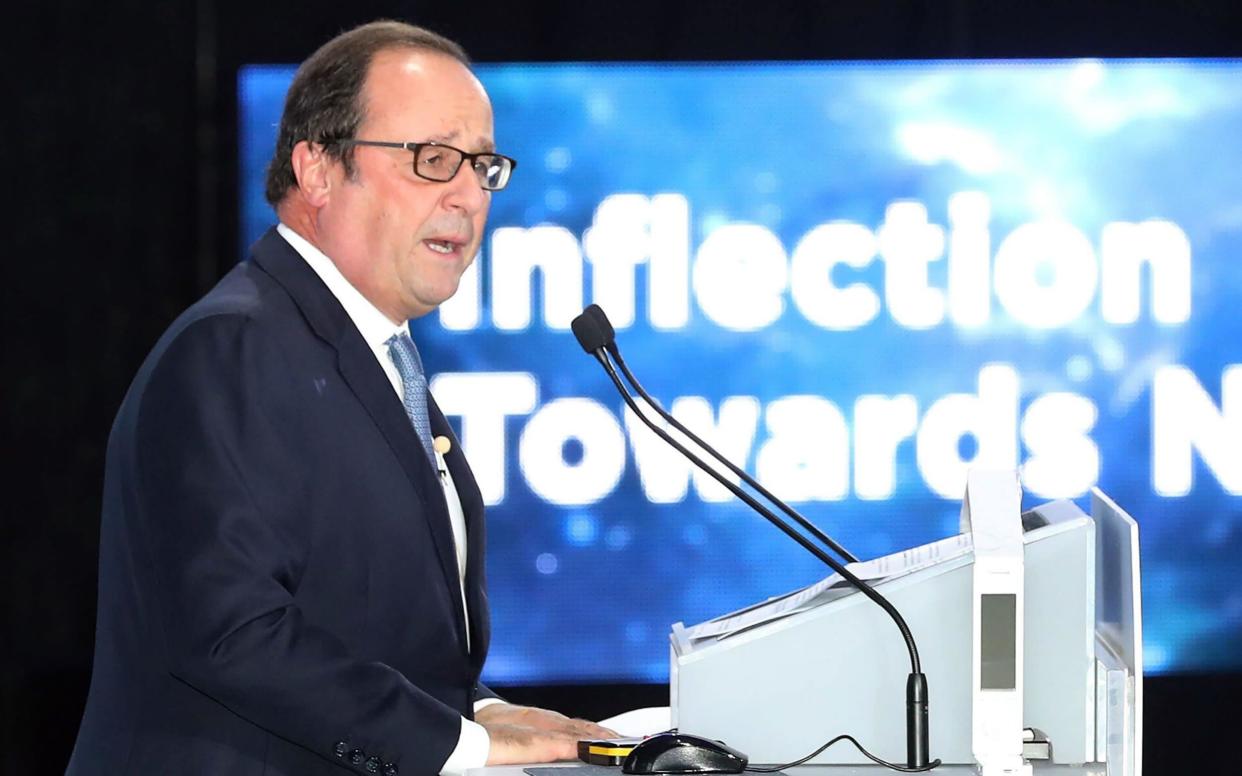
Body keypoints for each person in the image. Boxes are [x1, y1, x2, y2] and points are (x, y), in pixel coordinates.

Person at [68, 20, 613, 776]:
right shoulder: (234, 347)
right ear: (318, 168)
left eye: (483, 165)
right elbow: (231, 633)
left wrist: (476, 709)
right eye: (434, 158)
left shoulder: (376, 351)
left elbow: (354, 619)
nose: (467, 194)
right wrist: (457, 745)